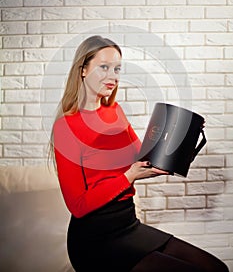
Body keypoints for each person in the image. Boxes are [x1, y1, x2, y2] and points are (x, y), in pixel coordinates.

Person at [49, 36, 229, 272]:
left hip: (128, 225)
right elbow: (78, 205)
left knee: (217, 268)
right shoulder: (66, 127)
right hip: (95, 240)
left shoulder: (114, 110)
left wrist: (185, 137)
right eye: (104, 67)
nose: (113, 76)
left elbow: (142, 159)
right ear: (83, 70)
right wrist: (129, 176)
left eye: (117, 69)